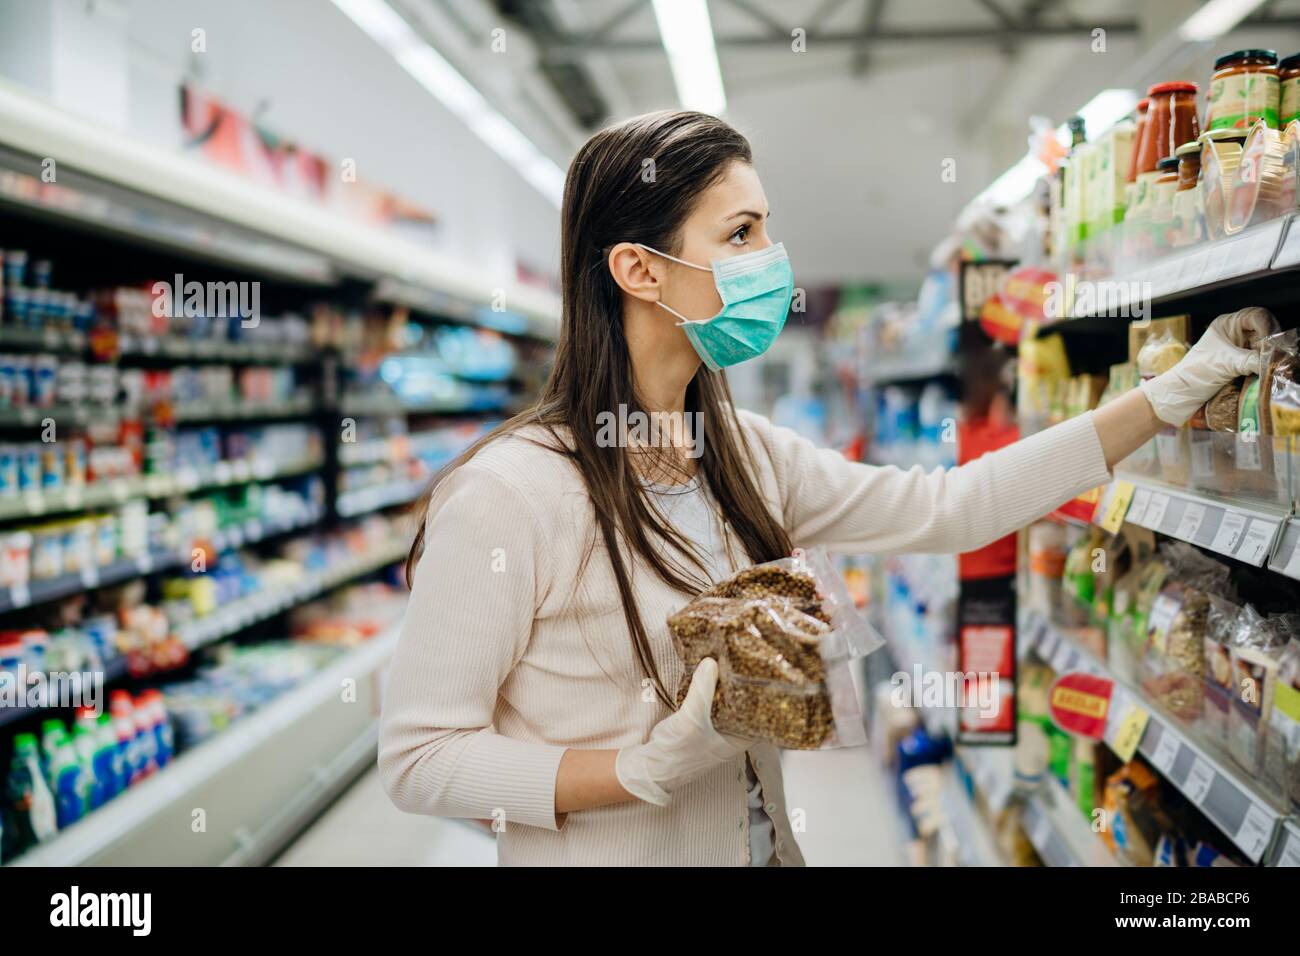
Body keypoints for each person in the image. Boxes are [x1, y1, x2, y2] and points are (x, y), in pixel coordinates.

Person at [377, 110, 1257, 866]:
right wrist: (634, 772)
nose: (773, 261)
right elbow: (421, 757)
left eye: (766, 229)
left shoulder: (746, 456)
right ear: (639, 271)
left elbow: (950, 508)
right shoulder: (511, 493)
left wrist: (1166, 397)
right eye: (740, 235)